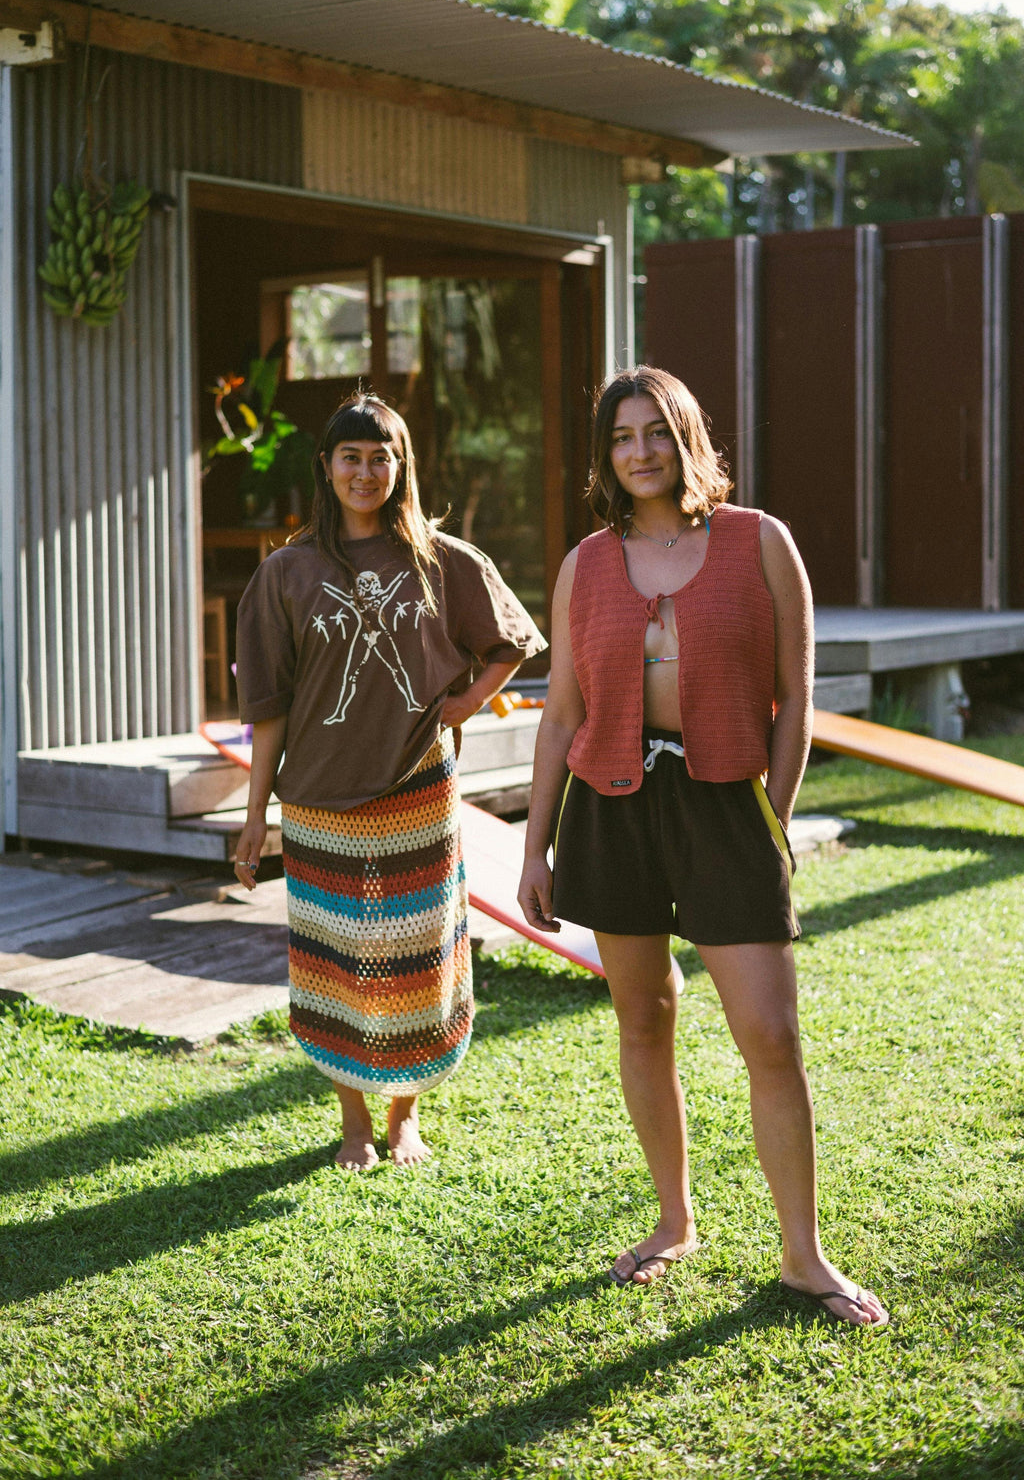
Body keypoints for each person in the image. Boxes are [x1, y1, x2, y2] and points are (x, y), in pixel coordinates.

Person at [517, 366, 887, 1327]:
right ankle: (674, 1222)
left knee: (771, 1035)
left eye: (655, 432)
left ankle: (804, 1258)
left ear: (688, 438)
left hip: (728, 806)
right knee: (643, 1018)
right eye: (621, 437)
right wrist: (534, 848)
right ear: (606, 455)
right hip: (611, 806)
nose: (639, 451)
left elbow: (798, 696)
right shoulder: (585, 563)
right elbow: (561, 713)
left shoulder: (760, 542)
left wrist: (774, 810)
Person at [234, 393, 545, 1170]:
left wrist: (466, 702)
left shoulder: (442, 559)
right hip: (316, 799)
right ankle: (351, 1121)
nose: (365, 471)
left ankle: (404, 1115)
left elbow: (511, 639)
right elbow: (266, 710)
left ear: (400, 465)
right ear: (327, 467)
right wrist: (252, 818)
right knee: (335, 965)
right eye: (351, 456)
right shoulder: (287, 573)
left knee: (417, 959)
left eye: (381, 456)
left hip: (415, 790)